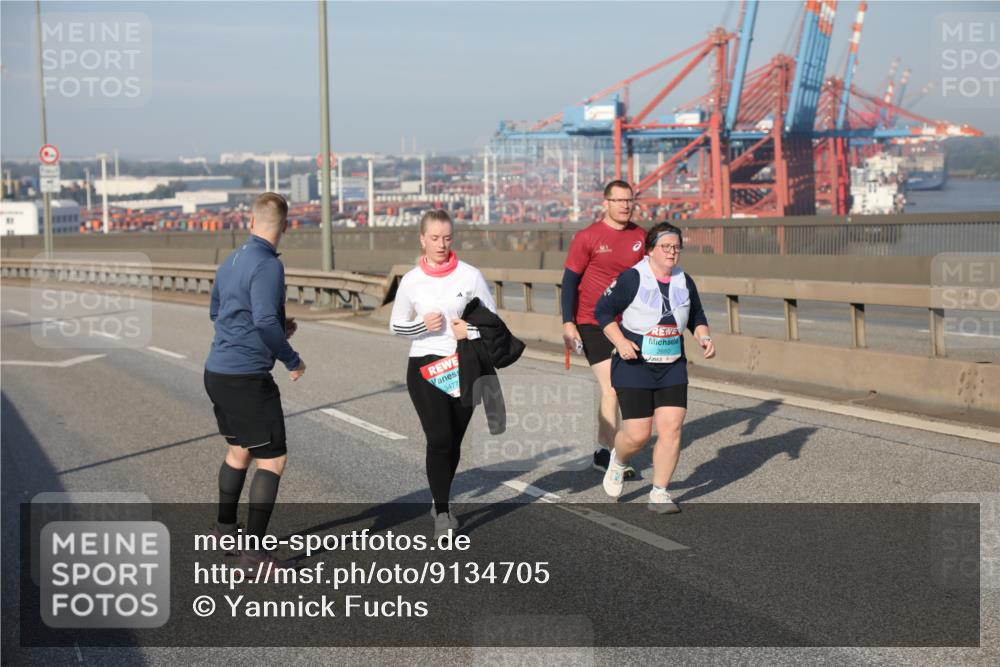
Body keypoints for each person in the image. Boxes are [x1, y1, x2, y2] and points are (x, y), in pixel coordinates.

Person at [204, 192, 306, 569]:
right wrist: (291, 359)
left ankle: (224, 530)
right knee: (272, 460)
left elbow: (219, 311)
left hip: (217, 372)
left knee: (239, 451)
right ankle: (254, 553)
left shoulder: (231, 259)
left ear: (250, 222)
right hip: (247, 378)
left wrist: (279, 326)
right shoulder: (268, 265)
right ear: (286, 226)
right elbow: (262, 321)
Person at [390, 209, 498, 538]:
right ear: (422, 239)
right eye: (435, 238)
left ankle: (441, 497)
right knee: (438, 438)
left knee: (452, 441)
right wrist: (423, 324)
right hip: (424, 365)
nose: (441, 244)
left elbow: (493, 320)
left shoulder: (470, 275)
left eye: (447, 238)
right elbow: (395, 325)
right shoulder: (411, 281)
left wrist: (472, 330)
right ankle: (441, 512)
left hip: (464, 364)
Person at [594, 222, 715, 513]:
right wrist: (620, 341)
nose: (672, 252)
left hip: (672, 365)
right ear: (650, 250)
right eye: (666, 247)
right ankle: (619, 460)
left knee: (672, 428)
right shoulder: (632, 278)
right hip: (635, 362)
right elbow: (603, 310)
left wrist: (704, 336)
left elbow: (696, 313)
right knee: (637, 435)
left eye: (676, 247)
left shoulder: (684, 280)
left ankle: (659, 492)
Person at [561, 180, 646, 477]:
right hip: (592, 321)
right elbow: (570, 282)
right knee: (612, 387)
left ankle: (601, 449)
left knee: (626, 387)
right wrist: (568, 322)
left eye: (629, 200)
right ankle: (613, 457)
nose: (625, 205)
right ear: (605, 203)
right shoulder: (588, 237)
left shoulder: (640, 237)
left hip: (628, 324)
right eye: (619, 200)